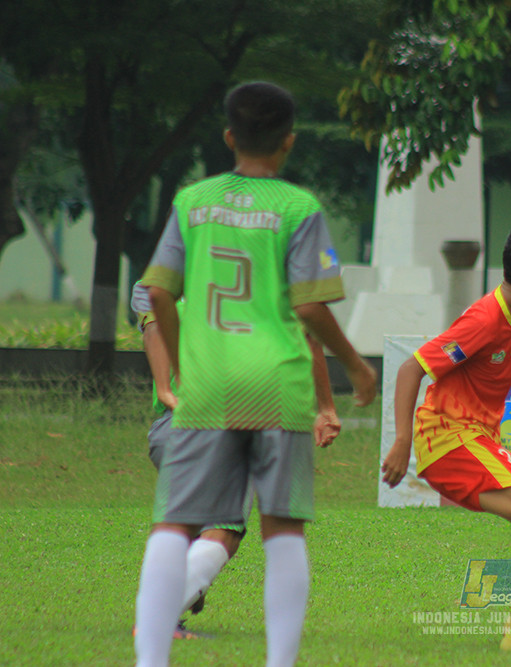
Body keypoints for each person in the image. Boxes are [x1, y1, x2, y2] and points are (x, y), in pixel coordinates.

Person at [133, 80, 377, 667]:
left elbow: (157, 292)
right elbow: (310, 307)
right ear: (288, 142)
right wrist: (355, 364)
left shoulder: (192, 202)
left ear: (227, 136)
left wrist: (183, 355)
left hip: (208, 386)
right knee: (282, 529)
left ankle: (149, 661)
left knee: (173, 524)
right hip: (278, 387)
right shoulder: (299, 208)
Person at [381, 222, 511, 653]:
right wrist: (402, 441)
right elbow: (411, 368)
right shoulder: (486, 319)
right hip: (450, 442)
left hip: (475, 440)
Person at [130, 282, 342, 639]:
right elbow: (308, 338)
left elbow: (152, 329)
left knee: (184, 524)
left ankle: (180, 600)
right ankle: (157, 620)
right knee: (223, 530)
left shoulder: (155, 282)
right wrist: (326, 407)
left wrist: (165, 389)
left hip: (170, 429)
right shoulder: (263, 278)